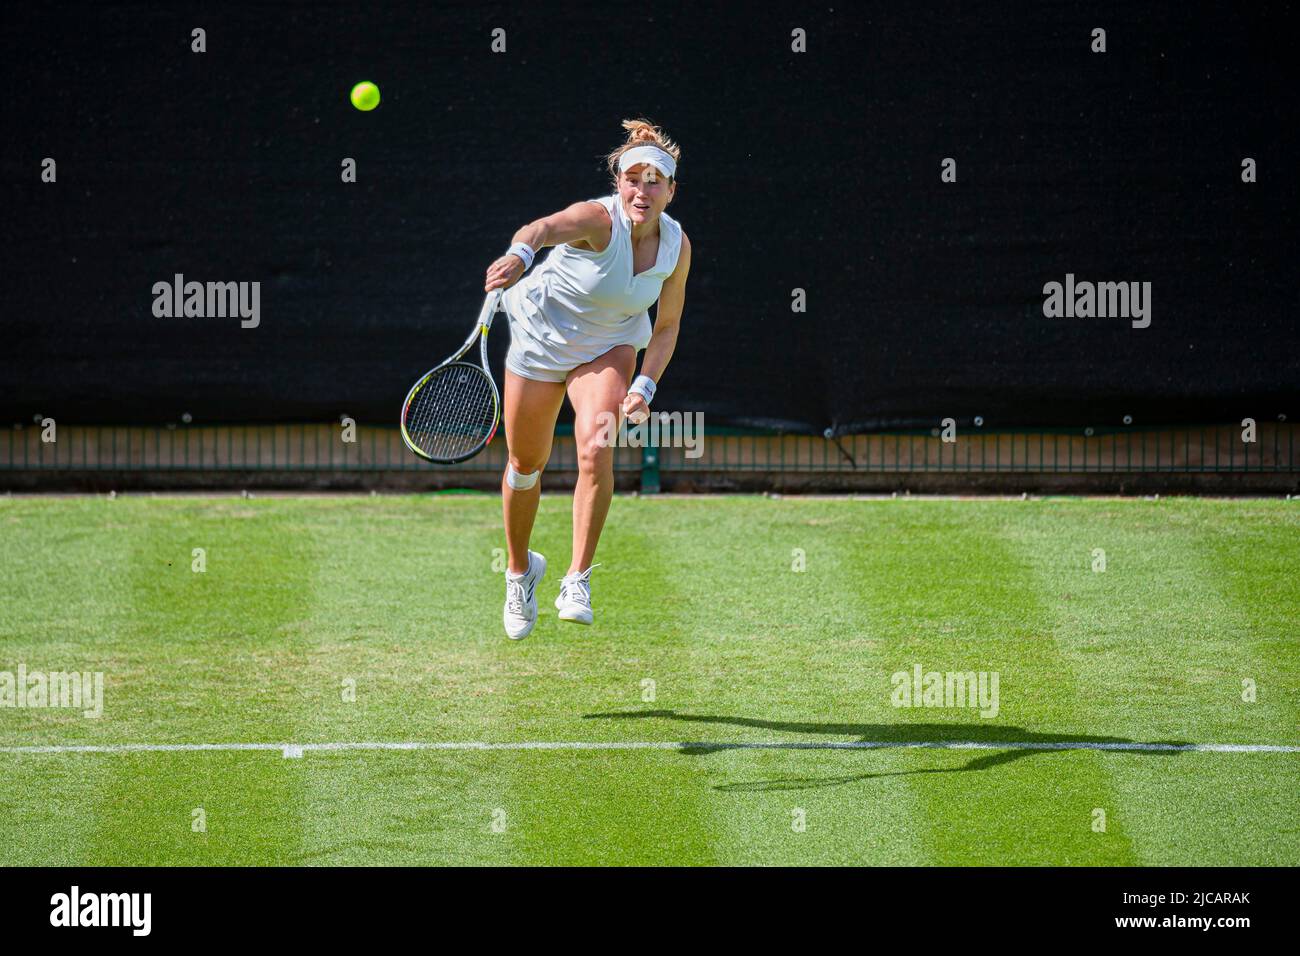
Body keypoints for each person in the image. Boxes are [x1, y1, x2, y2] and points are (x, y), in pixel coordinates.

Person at [483, 118, 692, 639]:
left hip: (609, 345)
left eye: (654, 181)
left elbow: (666, 327)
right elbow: (542, 229)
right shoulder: (598, 220)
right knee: (525, 464)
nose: (641, 190)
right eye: (632, 179)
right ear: (618, 183)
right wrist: (519, 254)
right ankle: (519, 570)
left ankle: (577, 578)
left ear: (670, 190)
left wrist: (645, 385)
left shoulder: (677, 247)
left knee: (596, 448)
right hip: (539, 341)